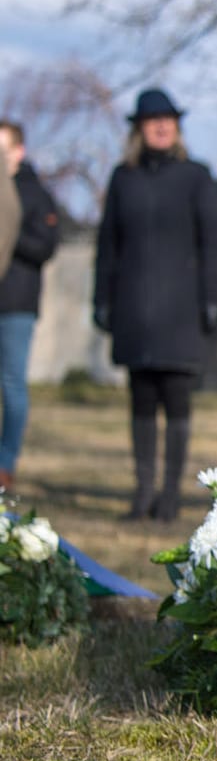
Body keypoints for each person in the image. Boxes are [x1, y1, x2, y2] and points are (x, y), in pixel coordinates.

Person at [94, 89, 217, 522]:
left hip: (181, 309)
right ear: (139, 128)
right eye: (153, 120)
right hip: (134, 306)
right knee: (141, 400)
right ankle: (142, 491)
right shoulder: (123, 178)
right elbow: (107, 246)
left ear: (177, 126)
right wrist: (101, 299)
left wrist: (213, 298)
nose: (161, 126)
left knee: (176, 400)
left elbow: (215, 244)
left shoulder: (196, 176)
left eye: (168, 119)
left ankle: (170, 494)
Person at [0, 121, 61, 493]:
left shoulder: (33, 192)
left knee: (11, 384)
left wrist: (8, 228)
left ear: (19, 152)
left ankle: (5, 462)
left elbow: (44, 246)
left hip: (16, 303)